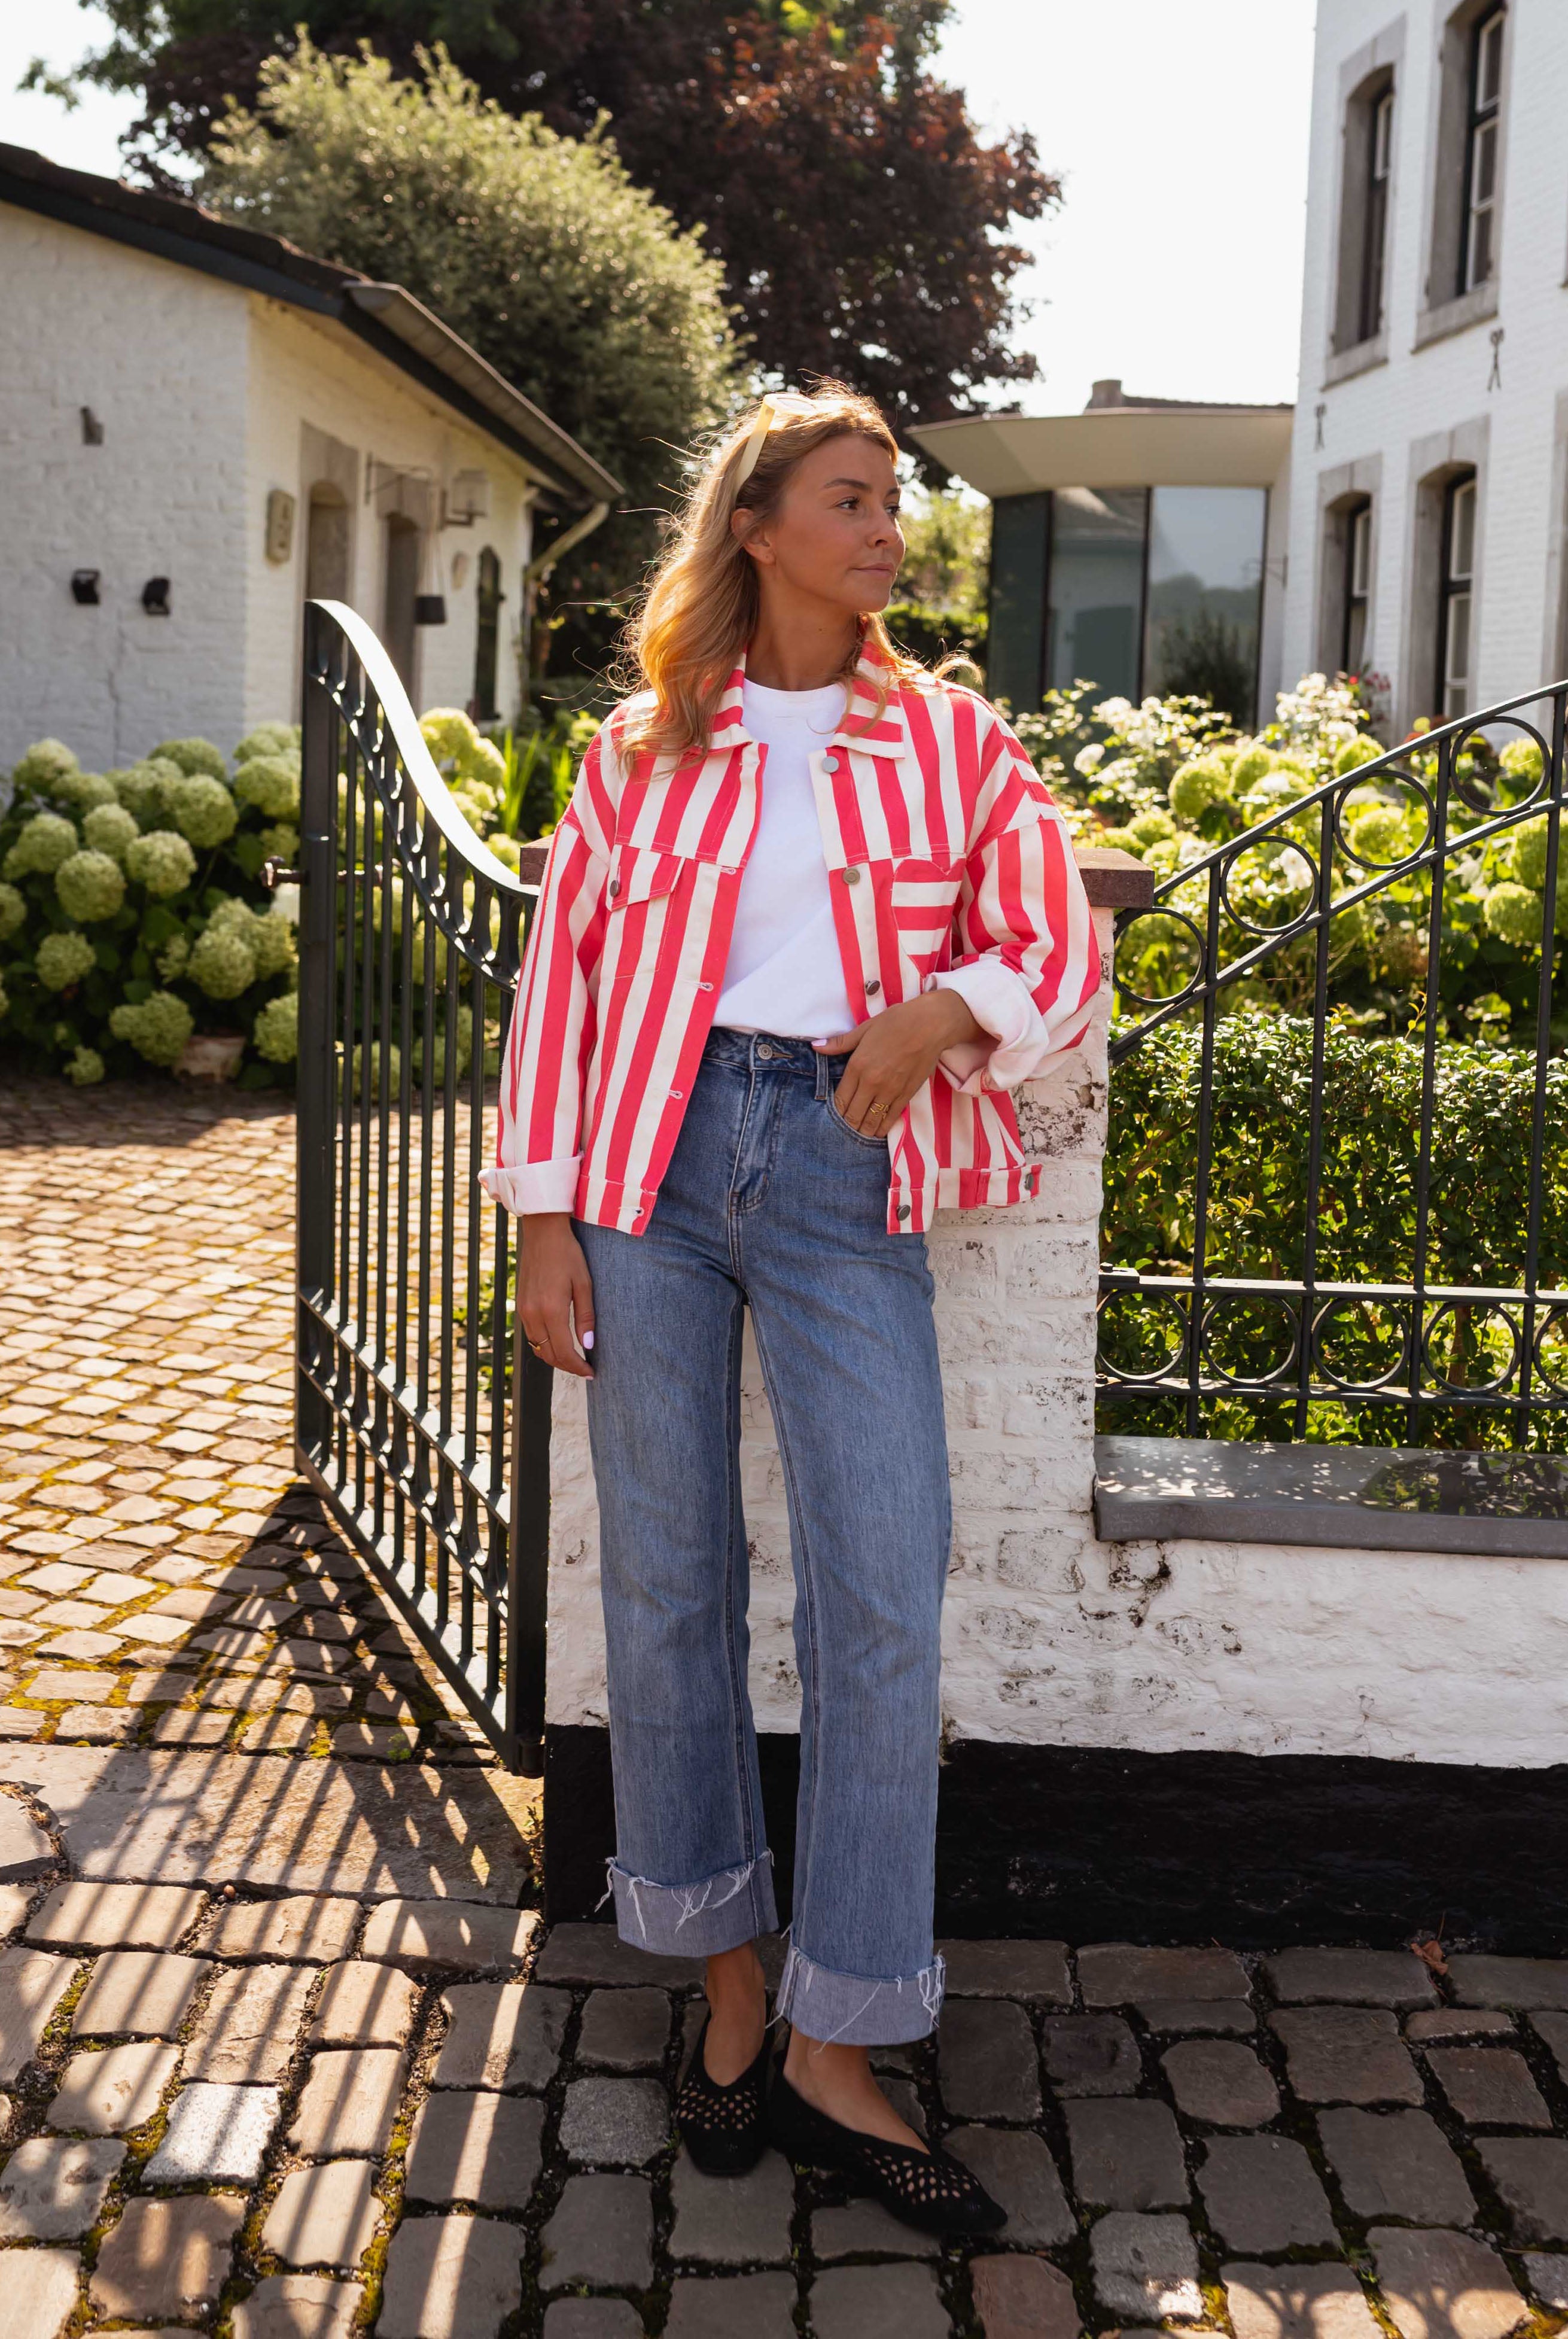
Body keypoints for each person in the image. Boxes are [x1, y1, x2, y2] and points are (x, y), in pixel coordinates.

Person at [483, 383, 1099, 2234]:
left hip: (846, 1176)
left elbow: (1058, 942)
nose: (885, 525)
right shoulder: (640, 750)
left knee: (879, 1595)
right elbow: (565, 987)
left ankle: (847, 2031)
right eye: (851, 496)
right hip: (649, 1178)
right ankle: (730, 1994)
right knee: (667, 1587)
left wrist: (939, 1011)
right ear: (758, 525)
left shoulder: (955, 743)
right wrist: (543, 1219)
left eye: (892, 498)